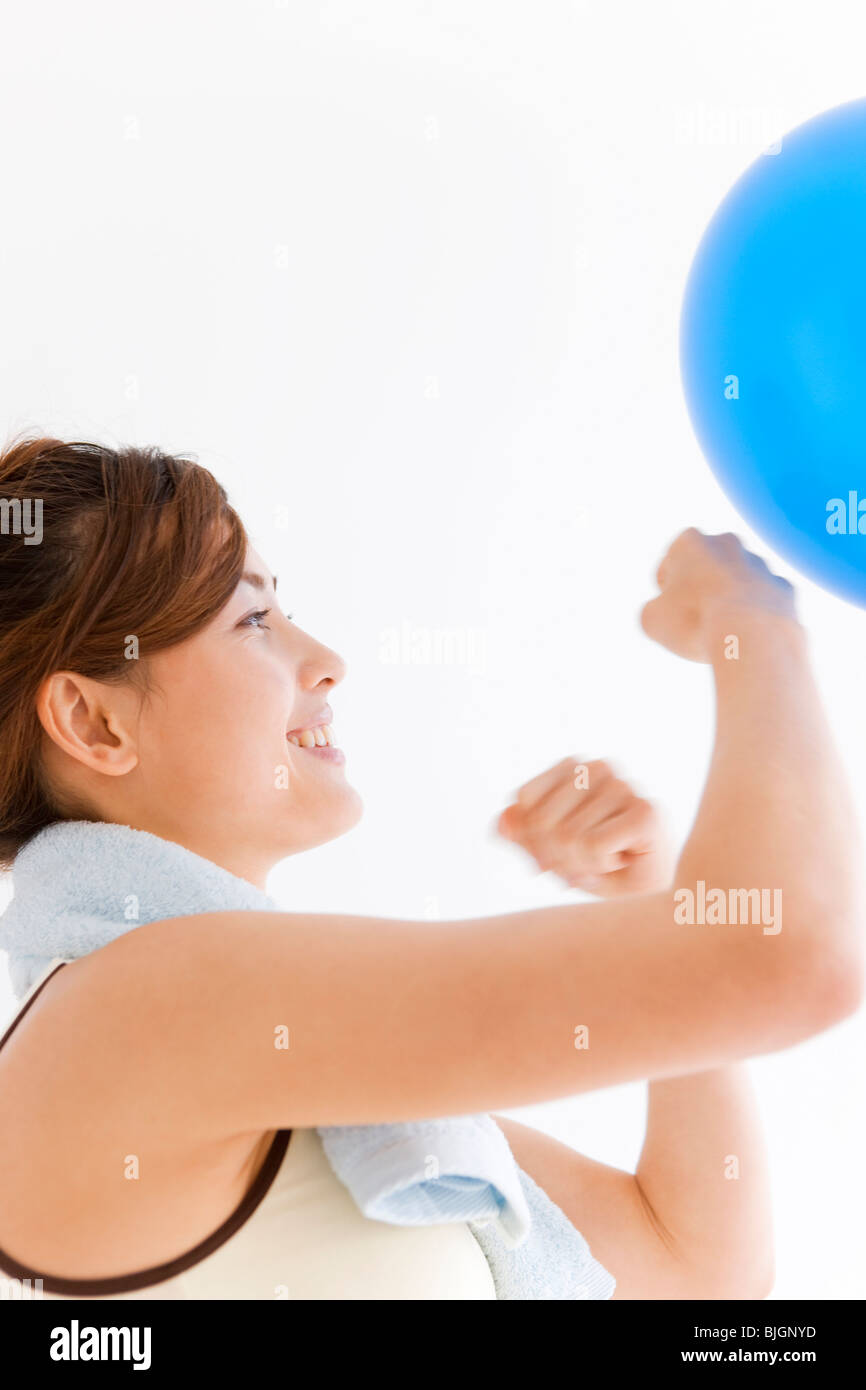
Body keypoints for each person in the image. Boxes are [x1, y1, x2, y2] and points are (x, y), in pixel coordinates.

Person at [0, 435, 861, 1300]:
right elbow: (794, 955)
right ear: (93, 723)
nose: (326, 660)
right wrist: (755, 622)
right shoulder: (143, 1009)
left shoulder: (283, 1067)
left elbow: (695, 1276)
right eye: (252, 619)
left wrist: (655, 899)